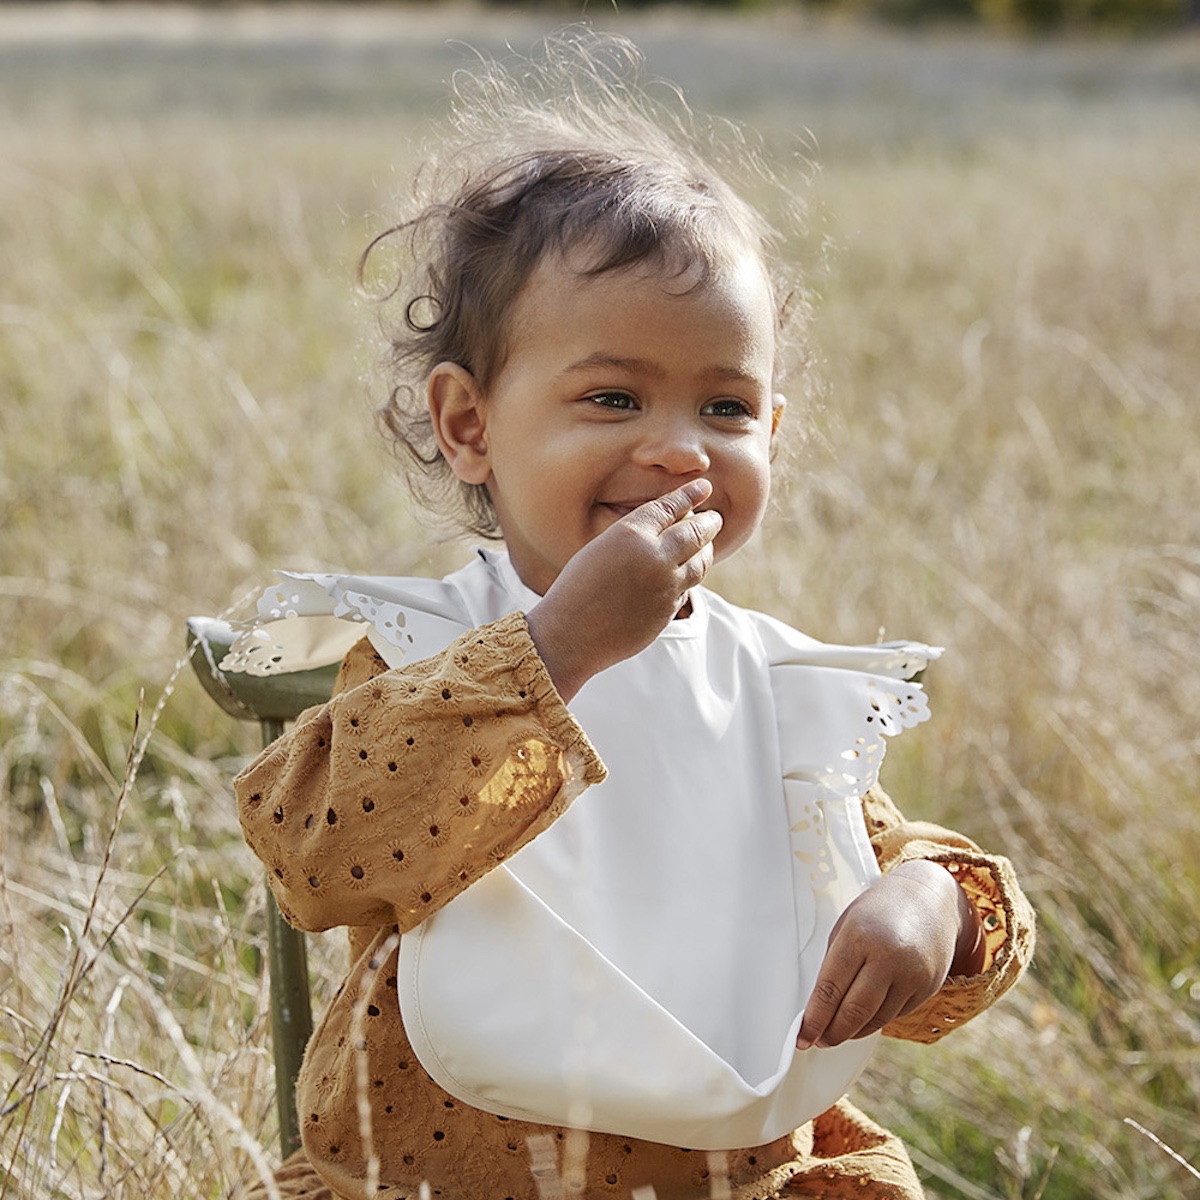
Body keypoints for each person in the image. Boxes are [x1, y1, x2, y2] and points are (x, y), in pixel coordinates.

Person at [229, 31, 1034, 1200]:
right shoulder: (430, 650)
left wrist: (928, 905)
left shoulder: (772, 679)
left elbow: (866, 849)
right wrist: (559, 653)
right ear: (470, 426)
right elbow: (315, 846)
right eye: (611, 396)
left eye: (727, 405)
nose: (676, 448)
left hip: (743, 1168)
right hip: (442, 1176)